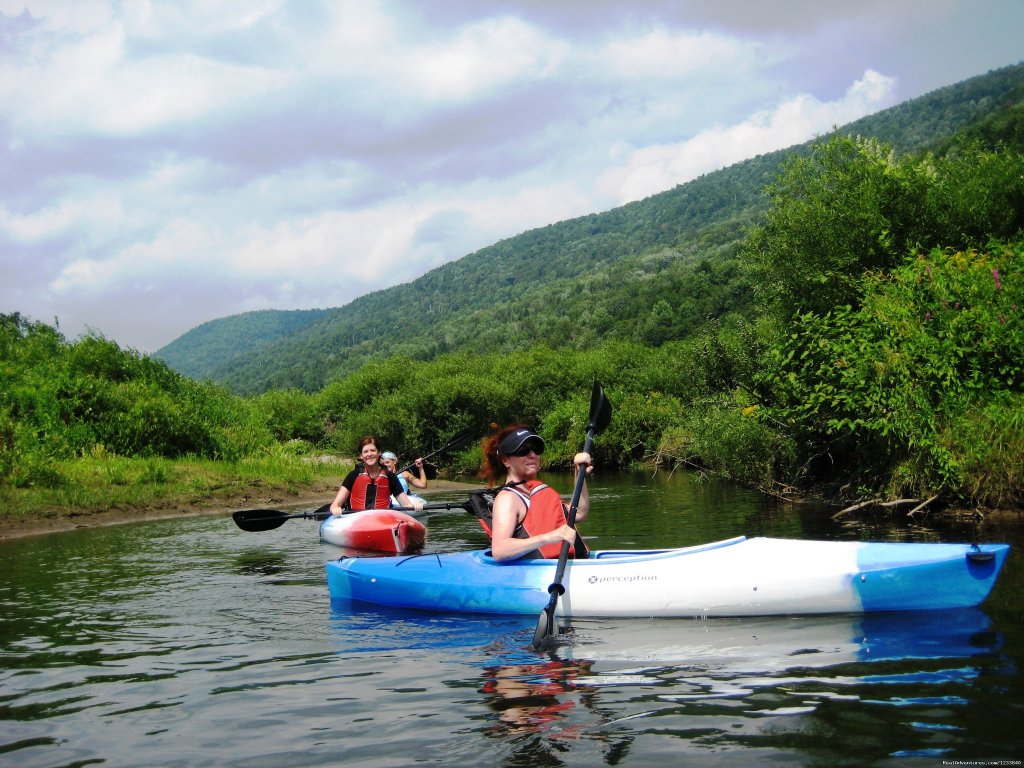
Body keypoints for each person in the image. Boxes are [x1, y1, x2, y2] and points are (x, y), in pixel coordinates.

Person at [478, 424, 592, 561]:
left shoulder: (534, 492)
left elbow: (579, 512)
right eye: (523, 451)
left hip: (566, 564)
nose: (532, 455)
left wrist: (579, 473)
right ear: (505, 460)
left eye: (536, 450)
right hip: (533, 575)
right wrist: (548, 537)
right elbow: (500, 550)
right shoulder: (508, 498)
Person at [330, 436, 424, 515]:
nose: (369, 454)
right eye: (365, 452)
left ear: (379, 453)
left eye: (373, 450)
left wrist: (415, 506)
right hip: (355, 519)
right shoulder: (353, 475)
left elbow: (406, 504)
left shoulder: (390, 476)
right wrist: (335, 509)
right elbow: (335, 504)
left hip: (381, 520)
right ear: (361, 456)